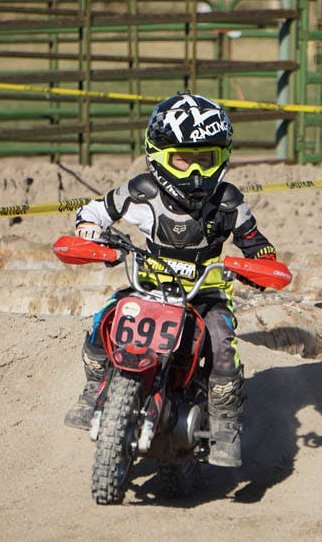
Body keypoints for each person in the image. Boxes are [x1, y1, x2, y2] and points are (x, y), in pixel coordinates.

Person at [63, 91, 278, 468]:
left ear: (221, 158)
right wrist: (88, 231)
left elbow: (256, 244)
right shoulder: (141, 192)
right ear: (159, 156)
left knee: (222, 342)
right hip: (148, 288)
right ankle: (92, 390)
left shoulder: (228, 201)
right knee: (105, 322)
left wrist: (261, 263)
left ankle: (225, 423)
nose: (195, 172)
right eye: (183, 160)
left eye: (204, 160)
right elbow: (95, 211)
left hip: (205, 294)